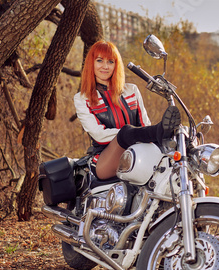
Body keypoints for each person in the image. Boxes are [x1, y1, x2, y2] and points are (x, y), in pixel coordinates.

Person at [74, 40, 180, 180]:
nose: (105, 66)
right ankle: (159, 131)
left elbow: (144, 126)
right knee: (127, 132)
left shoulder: (131, 90)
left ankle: (166, 133)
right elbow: (99, 134)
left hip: (139, 154)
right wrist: (130, 134)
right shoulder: (82, 98)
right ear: (91, 63)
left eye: (111, 62)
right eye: (100, 60)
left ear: (116, 65)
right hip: (104, 161)